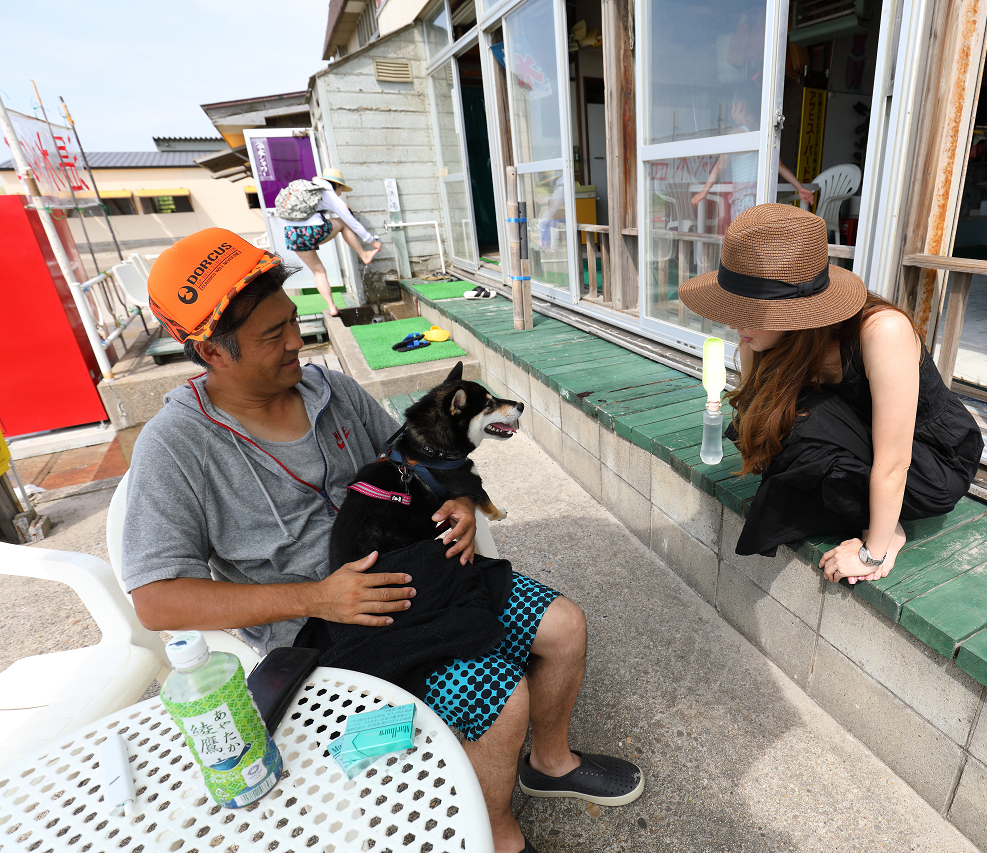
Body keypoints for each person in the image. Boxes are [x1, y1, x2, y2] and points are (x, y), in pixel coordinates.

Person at [129, 228, 642, 853]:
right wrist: (318, 597)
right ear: (213, 352)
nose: (296, 341)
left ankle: (550, 762)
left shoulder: (331, 390)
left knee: (564, 627)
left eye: (292, 320)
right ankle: (497, 835)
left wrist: (458, 500)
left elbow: (418, 459)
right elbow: (156, 599)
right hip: (324, 630)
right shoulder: (175, 447)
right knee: (500, 700)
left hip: (423, 569)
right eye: (273, 334)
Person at [678, 204, 983, 583]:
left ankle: (890, 526)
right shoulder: (767, 340)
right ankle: (870, 509)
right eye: (734, 306)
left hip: (928, 464)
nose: (731, 322)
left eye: (748, 310)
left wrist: (874, 552)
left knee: (806, 425)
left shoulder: (882, 331)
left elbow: (894, 462)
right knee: (766, 417)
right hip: (860, 440)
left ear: (793, 311)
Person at [691, 88, 815, 218]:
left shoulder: (737, 133)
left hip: (743, 200)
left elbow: (720, 165)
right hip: (762, 199)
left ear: (739, 106)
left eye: (732, 106)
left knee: (743, 231)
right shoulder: (762, 134)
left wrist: (704, 191)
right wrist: (799, 187)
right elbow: (780, 165)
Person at [284, 167, 382, 317]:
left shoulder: (308, 189)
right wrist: (371, 241)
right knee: (343, 223)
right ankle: (364, 255)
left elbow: (313, 211)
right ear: (336, 185)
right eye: (341, 189)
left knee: (318, 272)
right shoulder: (328, 193)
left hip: (292, 234)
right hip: (312, 231)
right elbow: (351, 221)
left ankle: (332, 307)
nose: (341, 193)